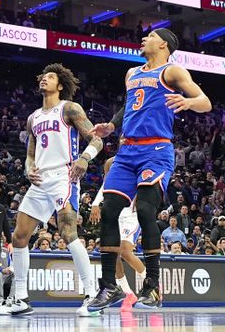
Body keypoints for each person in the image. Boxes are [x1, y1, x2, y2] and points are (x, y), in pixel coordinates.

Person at [88, 29, 211, 310]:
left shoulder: (172, 71)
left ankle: (152, 286)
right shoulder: (132, 73)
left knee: (144, 210)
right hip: (127, 150)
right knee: (108, 210)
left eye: (150, 36)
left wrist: (189, 102)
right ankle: (109, 287)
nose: (143, 39)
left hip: (155, 149)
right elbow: (130, 106)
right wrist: (111, 126)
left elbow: (206, 102)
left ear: (163, 44)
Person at [4, 64, 104, 317]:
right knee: (19, 236)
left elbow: (97, 139)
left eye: (50, 77)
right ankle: (21, 298)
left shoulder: (69, 108)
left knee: (68, 232)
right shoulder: (33, 117)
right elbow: (30, 154)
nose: (44, 80)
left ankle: (91, 294)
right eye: (42, 77)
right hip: (40, 180)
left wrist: (84, 159)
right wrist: (29, 169)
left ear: (60, 85)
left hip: (64, 176)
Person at [90, 156, 146, 308]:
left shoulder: (142, 159)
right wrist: (96, 203)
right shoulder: (110, 162)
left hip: (132, 214)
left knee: (125, 251)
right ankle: (128, 294)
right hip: (116, 212)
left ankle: (152, 285)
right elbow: (107, 185)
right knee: (113, 254)